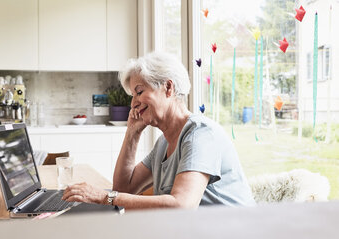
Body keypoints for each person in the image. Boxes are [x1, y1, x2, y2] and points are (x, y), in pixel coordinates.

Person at [62, 52, 255, 209]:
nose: (133, 103)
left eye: (139, 92)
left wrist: (105, 197)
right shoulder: (163, 143)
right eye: (132, 95)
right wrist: (132, 133)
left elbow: (182, 206)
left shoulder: (200, 134)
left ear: (168, 87)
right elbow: (123, 188)